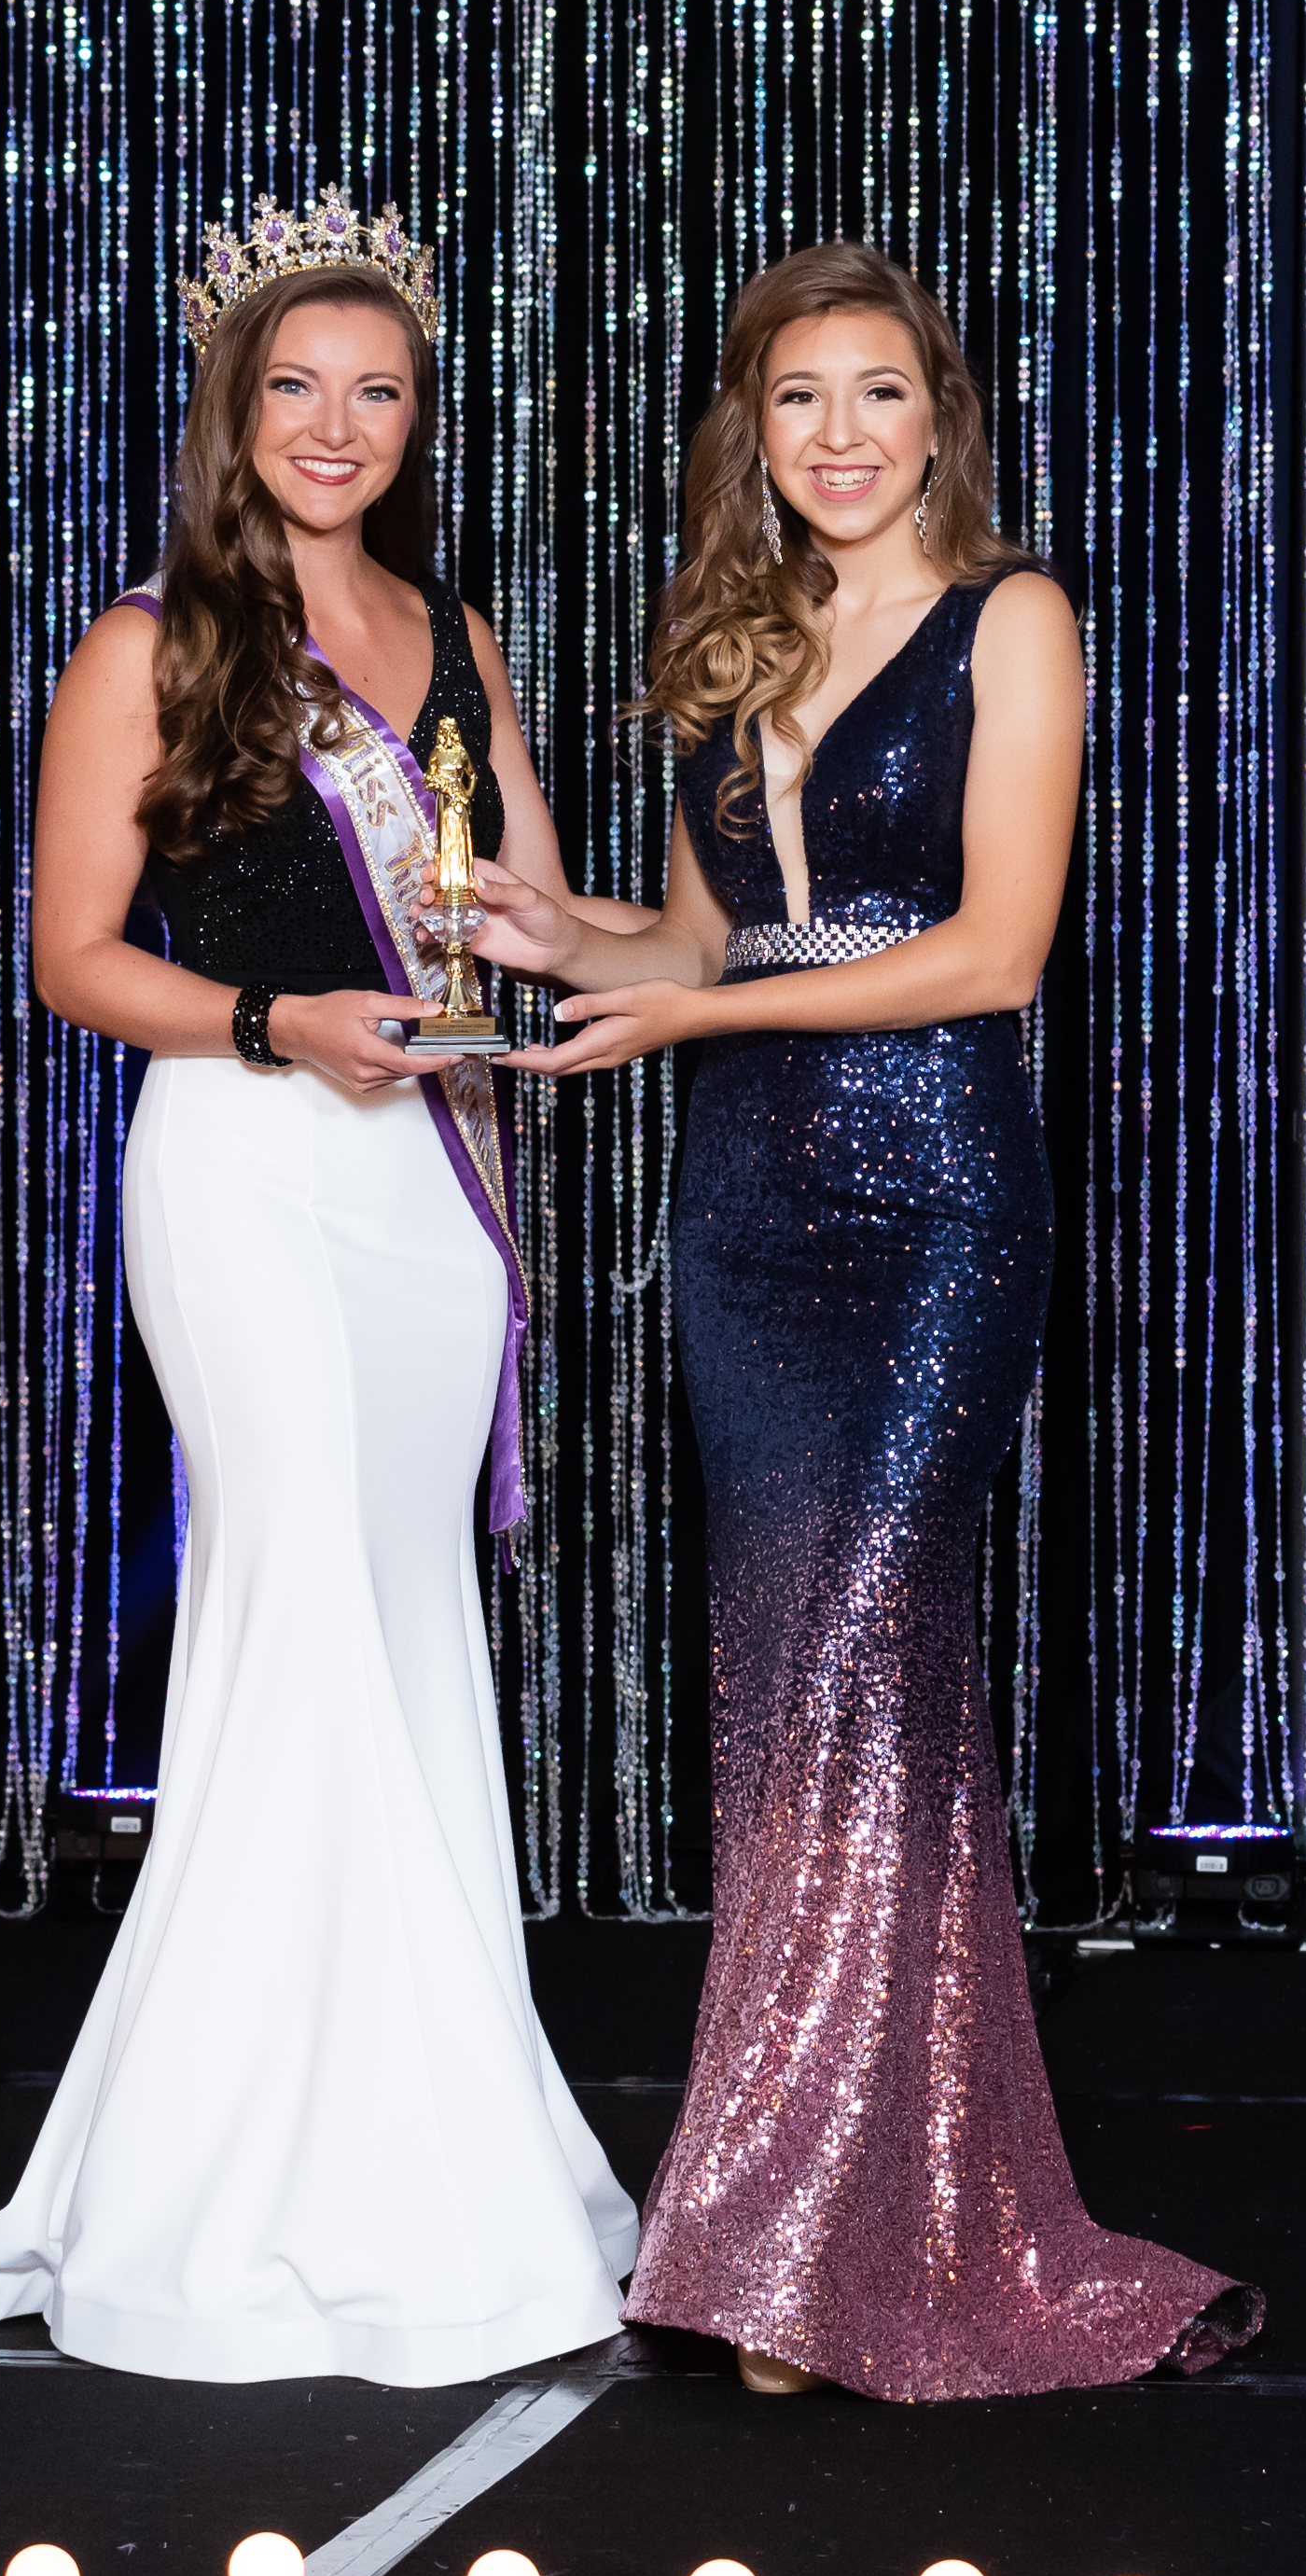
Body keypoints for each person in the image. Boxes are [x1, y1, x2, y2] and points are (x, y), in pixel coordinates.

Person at [464, 243, 1264, 2401]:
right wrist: (554, 931)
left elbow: (992, 952)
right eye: (797, 396)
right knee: (794, 1698)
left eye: (877, 392)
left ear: (937, 417)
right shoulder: (732, 639)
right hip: (748, 1215)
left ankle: (802, 2236)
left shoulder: (1015, 617)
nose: (838, 433)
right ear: (754, 426)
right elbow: (698, 938)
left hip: (928, 1214)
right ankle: (858, 2210)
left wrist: (695, 1010)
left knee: (857, 1669)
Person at [0, 190, 641, 2384]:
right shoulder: (150, 644)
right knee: (300, 1620)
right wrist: (273, 1020)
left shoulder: (451, 631)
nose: (337, 424)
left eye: (378, 390)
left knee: (403, 1635)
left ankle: (420, 2144)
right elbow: (73, 957)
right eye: (298, 386)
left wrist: (685, 950)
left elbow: (525, 910)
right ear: (234, 408)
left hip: (421, 1183)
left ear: (416, 420)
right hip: (243, 1160)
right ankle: (237, 2190)